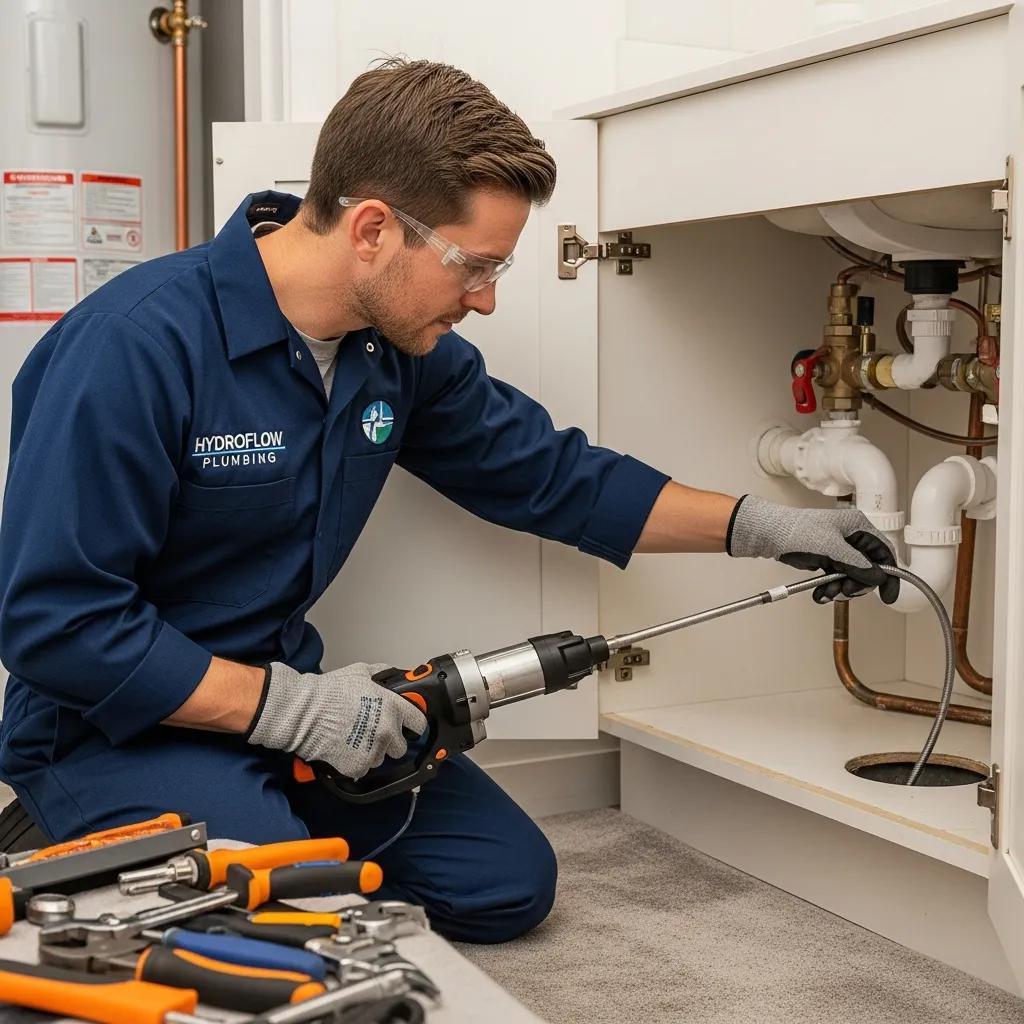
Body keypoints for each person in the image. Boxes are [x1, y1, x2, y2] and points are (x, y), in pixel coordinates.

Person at [0, 59, 896, 944]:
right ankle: (85, 831)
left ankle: (247, 816)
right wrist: (284, 710)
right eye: (474, 266)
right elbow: (57, 623)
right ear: (374, 228)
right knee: (274, 918)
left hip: (292, 704)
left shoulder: (392, 352)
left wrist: (762, 526)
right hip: (116, 726)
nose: (489, 299)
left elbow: (550, 475)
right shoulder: (131, 347)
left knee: (508, 885)